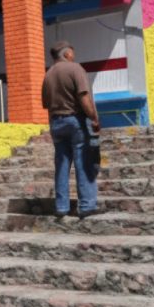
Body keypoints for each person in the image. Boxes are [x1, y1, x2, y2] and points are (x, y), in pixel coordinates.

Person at [41, 40, 102, 219]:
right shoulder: (75, 68)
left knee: (62, 165)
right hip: (76, 121)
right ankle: (87, 206)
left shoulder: (48, 75)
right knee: (84, 162)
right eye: (72, 53)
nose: (73, 56)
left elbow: (46, 104)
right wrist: (94, 118)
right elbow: (84, 97)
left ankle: (61, 207)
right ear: (67, 54)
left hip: (56, 122)